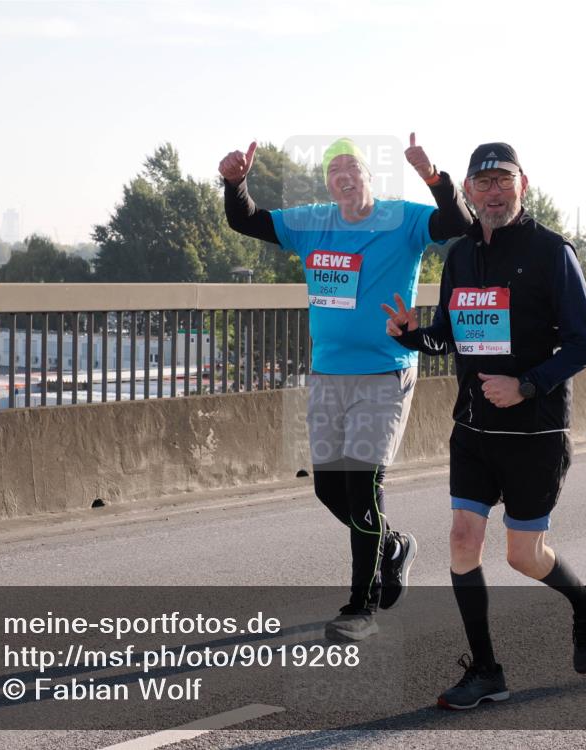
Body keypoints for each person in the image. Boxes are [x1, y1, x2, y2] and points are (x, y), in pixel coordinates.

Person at [383, 142, 586, 708]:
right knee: (462, 540)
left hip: (535, 431)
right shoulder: (459, 256)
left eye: (502, 180)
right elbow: (448, 336)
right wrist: (412, 335)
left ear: (523, 184)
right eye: (481, 183)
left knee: (523, 556)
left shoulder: (553, 252)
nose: (492, 191)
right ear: (468, 192)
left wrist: (526, 384)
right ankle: (486, 670)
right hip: (474, 428)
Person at [219, 134, 472, 642]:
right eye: (334, 172)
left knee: (363, 481)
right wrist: (234, 182)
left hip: (384, 370)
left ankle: (362, 606)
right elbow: (247, 219)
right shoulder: (313, 222)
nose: (344, 178)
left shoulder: (402, 219)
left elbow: (457, 225)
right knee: (328, 487)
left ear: (368, 178)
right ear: (329, 185)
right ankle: (392, 544)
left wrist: (434, 179)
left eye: (352, 169)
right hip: (329, 372)